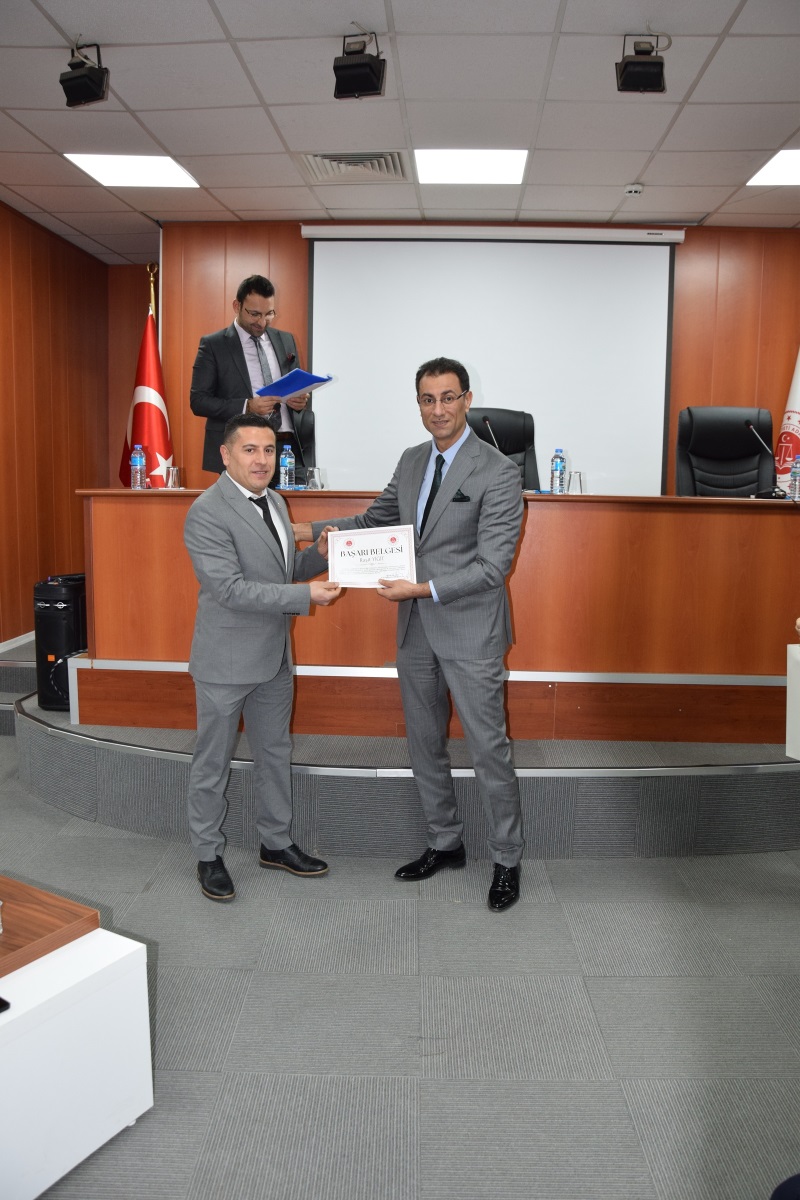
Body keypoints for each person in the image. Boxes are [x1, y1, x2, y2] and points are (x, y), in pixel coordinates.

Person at [300, 356, 525, 911]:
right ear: (419, 404)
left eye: (448, 397)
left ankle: (507, 858)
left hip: (469, 629)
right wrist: (309, 530)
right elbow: (374, 522)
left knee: (488, 747)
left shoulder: (499, 470)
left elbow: (492, 567)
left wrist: (421, 589)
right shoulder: (411, 460)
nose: (438, 409)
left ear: (467, 400)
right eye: (428, 399)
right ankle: (445, 842)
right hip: (415, 630)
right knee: (424, 743)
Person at [184, 412, 340, 902]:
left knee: (275, 753)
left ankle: (276, 842)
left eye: (269, 450)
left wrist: (320, 554)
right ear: (226, 454)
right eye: (250, 450)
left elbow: (281, 570)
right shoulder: (206, 512)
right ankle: (208, 854)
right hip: (225, 660)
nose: (262, 460)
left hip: (273, 657)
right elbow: (230, 589)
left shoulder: (274, 500)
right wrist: (305, 596)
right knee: (213, 762)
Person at [190, 274, 314, 483]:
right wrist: (247, 406)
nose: (262, 322)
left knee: (294, 504)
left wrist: (300, 401)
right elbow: (199, 401)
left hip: (288, 449)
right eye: (255, 314)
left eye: (269, 314)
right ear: (237, 306)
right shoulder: (214, 345)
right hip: (243, 450)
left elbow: (295, 387)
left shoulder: (286, 340)